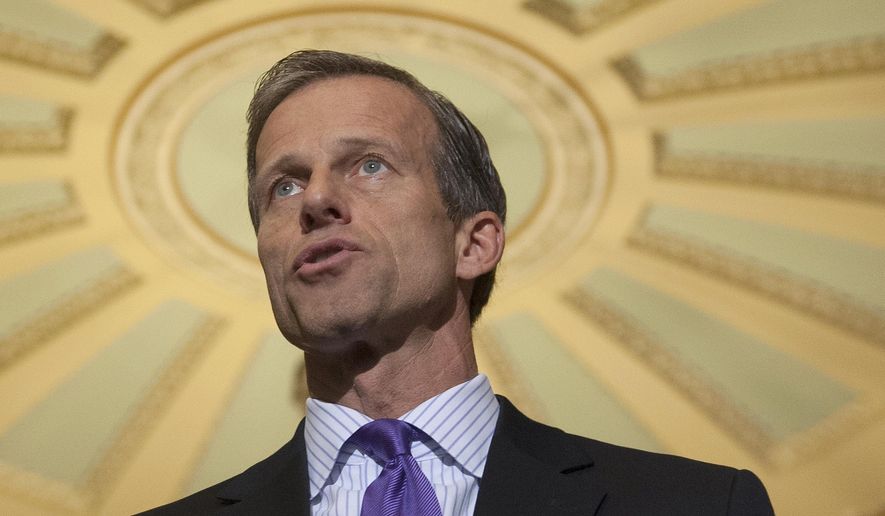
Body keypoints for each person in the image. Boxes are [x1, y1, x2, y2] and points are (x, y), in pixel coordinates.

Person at [141, 50, 774, 515]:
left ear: (473, 243)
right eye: (284, 185)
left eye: (368, 165)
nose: (317, 200)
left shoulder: (698, 506)